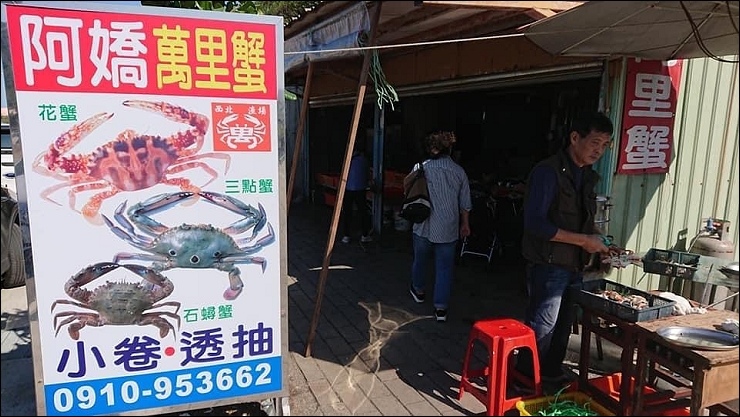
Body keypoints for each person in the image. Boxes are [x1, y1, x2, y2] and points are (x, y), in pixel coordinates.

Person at [519, 111, 613, 384]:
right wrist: (584, 241)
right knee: (542, 325)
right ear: (574, 138)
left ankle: (551, 373)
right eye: (595, 142)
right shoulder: (548, 172)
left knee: (563, 325)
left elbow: (583, 222)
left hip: (575, 264)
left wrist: (603, 243)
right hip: (548, 264)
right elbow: (535, 223)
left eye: (605, 145)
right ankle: (524, 379)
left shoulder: (588, 176)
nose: (599, 150)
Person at [409, 131, 472, 322]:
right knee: (444, 267)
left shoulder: (420, 167)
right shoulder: (459, 172)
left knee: (420, 260)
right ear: (450, 149)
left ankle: (418, 291)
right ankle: (441, 308)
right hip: (448, 226)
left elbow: (408, 190)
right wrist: (465, 224)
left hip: (423, 224)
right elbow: (465, 203)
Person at [341, 145, 372, 244]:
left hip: (348, 189)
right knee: (363, 212)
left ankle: (346, 235)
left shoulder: (347, 160)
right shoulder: (364, 160)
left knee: (347, 212)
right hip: (360, 189)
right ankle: (365, 235)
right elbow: (368, 175)